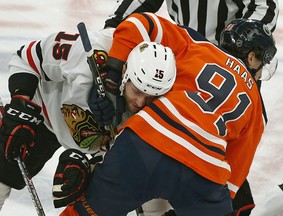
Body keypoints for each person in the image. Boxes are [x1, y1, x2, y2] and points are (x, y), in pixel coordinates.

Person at [57, 13, 277, 216]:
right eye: (262, 61)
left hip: (145, 141)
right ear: (251, 57)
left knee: (86, 212)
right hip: (204, 169)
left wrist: (114, 69)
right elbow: (235, 172)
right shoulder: (256, 103)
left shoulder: (197, 44)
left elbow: (138, 23)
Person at [0, 25, 177, 211]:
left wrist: (89, 165)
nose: (141, 102)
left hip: (102, 143)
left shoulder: (167, 103)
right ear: (125, 73)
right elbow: (28, 58)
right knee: (3, 173)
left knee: (153, 196)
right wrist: (21, 105)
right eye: (138, 91)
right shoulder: (87, 52)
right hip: (47, 114)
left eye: (151, 97)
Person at [104, 0, 279, 44]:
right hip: (185, 50)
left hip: (230, 55)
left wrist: (239, 47)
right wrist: (113, 27)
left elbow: (265, 7)